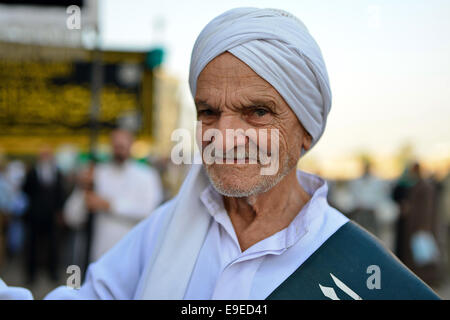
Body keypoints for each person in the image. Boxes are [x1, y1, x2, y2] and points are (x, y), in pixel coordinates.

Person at [0, 7, 440, 300]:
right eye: (209, 112)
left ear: (306, 132)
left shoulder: (361, 270)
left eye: (257, 112)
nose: (225, 135)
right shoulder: (170, 226)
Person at [63, 128, 164, 264]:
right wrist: (83, 188)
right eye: (116, 145)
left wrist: (109, 205)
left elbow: (149, 211)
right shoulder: (97, 173)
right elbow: (72, 217)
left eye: (122, 145)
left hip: (134, 257)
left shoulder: (147, 175)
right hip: (100, 257)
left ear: (131, 145)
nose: (119, 149)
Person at [21, 147, 65, 283]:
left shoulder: (57, 172)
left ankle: (52, 271)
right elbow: (25, 189)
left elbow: (60, 192)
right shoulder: (32, 171)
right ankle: (31, 274)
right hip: (34, 214)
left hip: (51, 215)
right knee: (32, 245)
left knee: (53, 245)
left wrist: (59, 210)